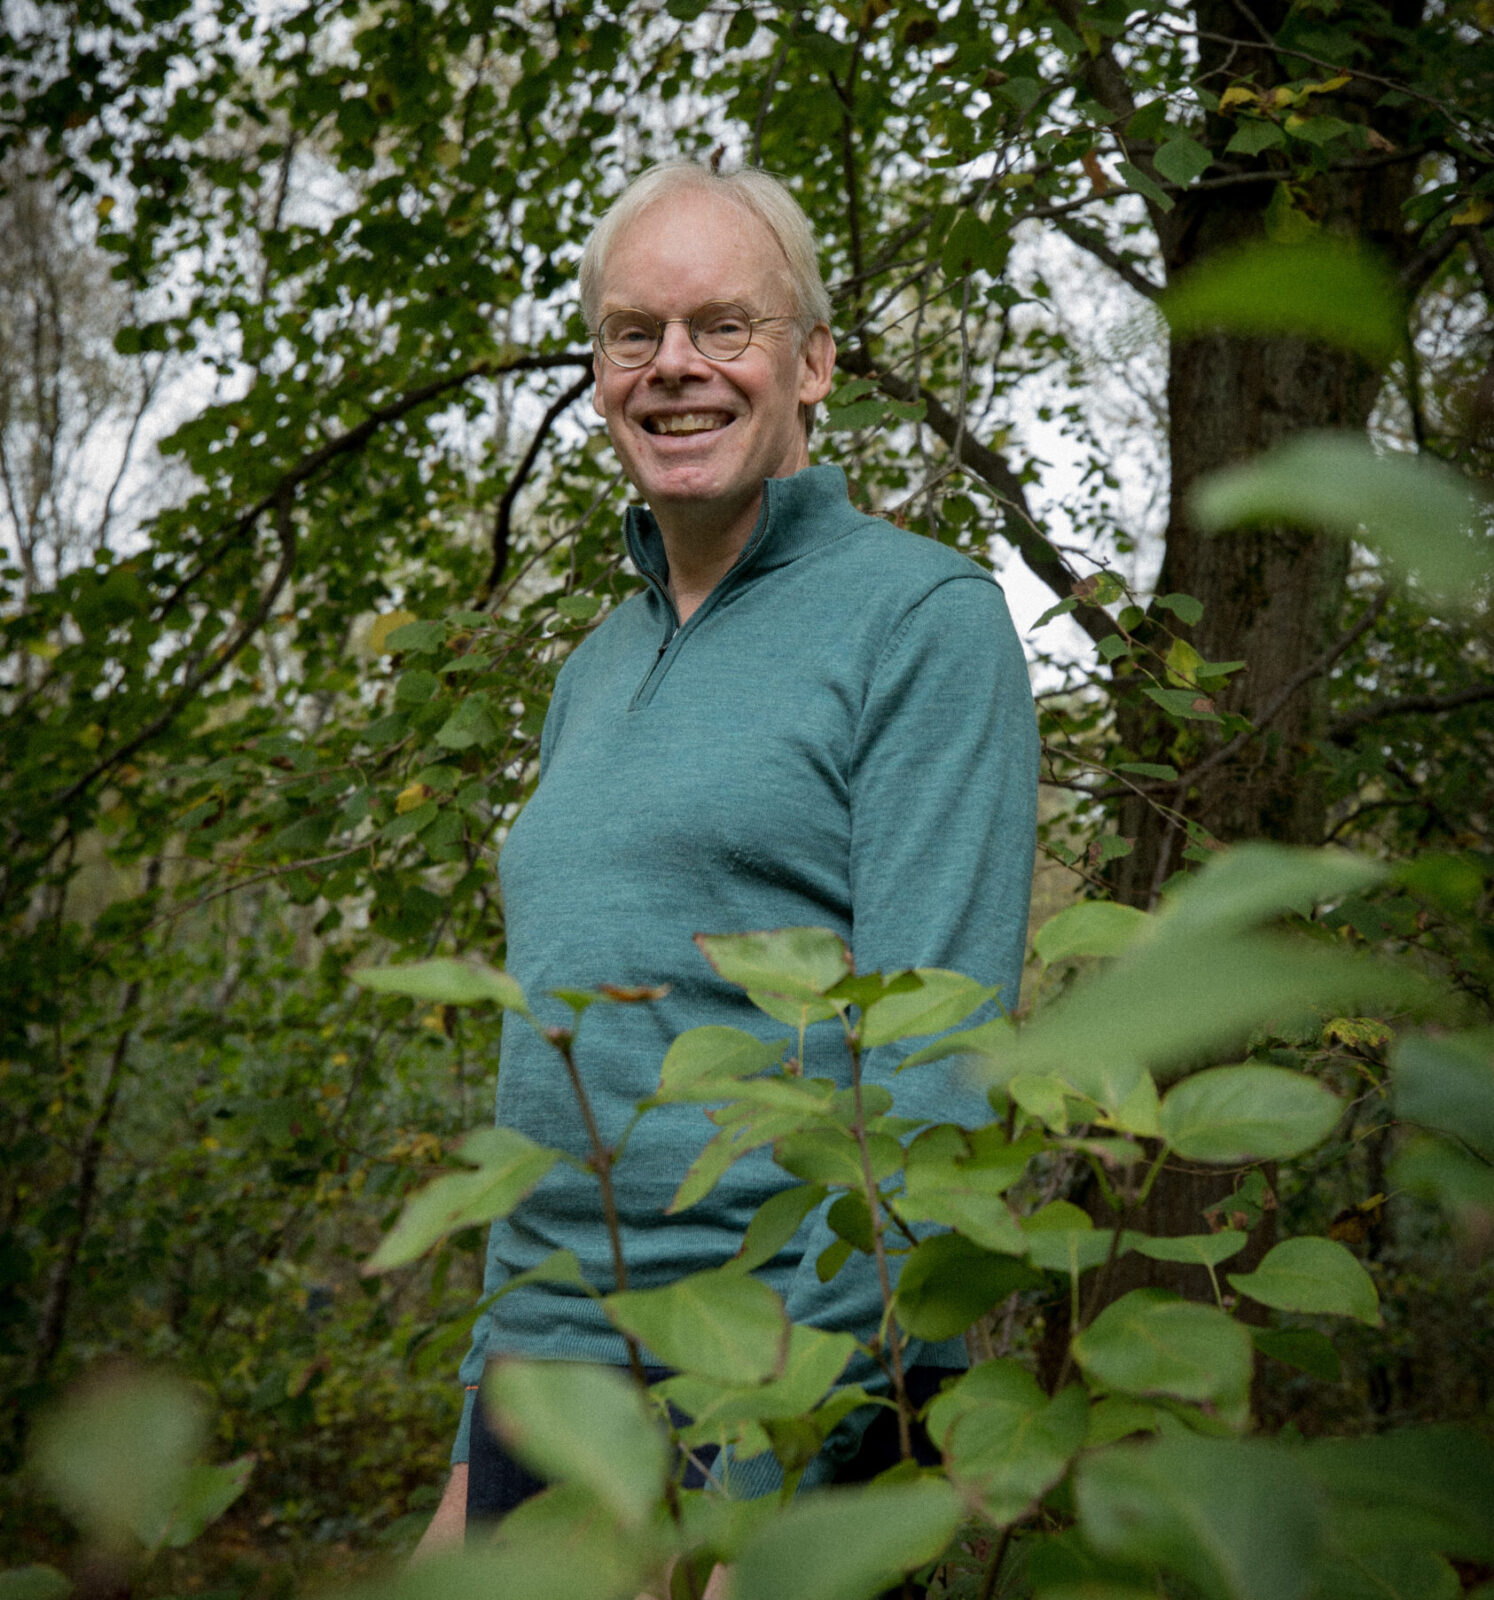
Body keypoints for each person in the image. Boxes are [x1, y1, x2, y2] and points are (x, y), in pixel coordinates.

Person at [415, 161, 1039, 1565]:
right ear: (598, 375)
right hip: (551, 1390)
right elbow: (550, 1087)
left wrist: (763, 1492)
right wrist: (473, 1450)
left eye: (723, 327)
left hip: (791, 1384)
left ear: (812, 363)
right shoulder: (590, 670)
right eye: (632, 333)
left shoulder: (924, 621)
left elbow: (930, 1080)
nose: (673, 367)